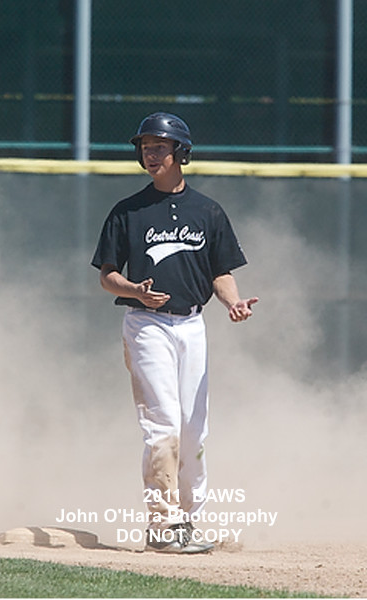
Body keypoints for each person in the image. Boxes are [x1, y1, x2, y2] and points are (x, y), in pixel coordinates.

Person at [91, 112, 258, 554]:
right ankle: (163, 525)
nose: (151, 153)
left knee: (194, 431)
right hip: (146, 325)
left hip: (192, 325)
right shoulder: (128, 211)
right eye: (145, 147)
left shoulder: (207, 211)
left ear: (181, 152)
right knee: (163, 423)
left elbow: (220, 271)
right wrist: (133, 290)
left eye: (160, 146)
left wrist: (233, 302)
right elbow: (107, 275)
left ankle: (190, 522)